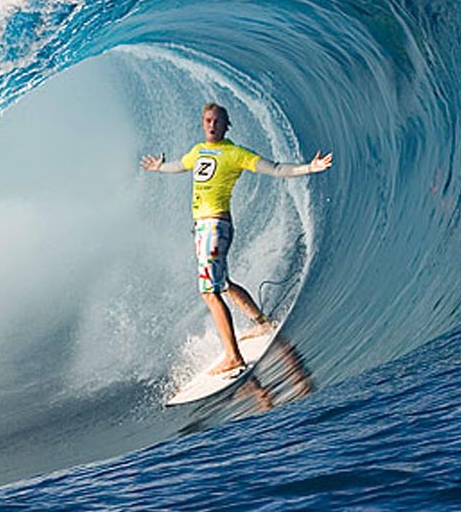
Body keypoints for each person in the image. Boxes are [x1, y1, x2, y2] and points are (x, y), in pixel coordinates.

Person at [141, 102, 332, 376]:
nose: (212, 125)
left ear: (226, 125)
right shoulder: (198, 151)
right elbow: (181, 165)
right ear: (202, 123)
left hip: (215, 225)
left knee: (210, 292)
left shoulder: (234, 154)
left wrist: (310, 168)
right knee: (224, 283)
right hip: (203, 228)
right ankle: (262, 323)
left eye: (217, 121)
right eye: (208, 120)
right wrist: (160, 167)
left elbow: (276, 168)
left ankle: (233, 357)